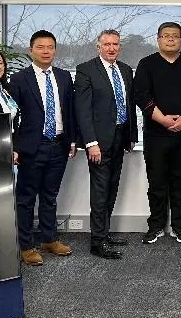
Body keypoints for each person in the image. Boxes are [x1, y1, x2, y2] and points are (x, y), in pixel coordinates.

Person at [7, 30, 77, 266]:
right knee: (26, 198)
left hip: (59, 144)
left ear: (55, 50)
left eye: (50, 47)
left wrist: (72, 140)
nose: (46, 51)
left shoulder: (64, 76)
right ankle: (26, 246)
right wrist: (14, 146)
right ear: (31, 50)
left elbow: (70, 111)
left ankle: (49, 239)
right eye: (40, 47)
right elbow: (12, 117)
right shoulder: (18, 79)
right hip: (31, 147)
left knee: (50, 196)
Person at [134, 22, 181, 244]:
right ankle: (156, 226)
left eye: (175, 36)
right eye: (166, 36)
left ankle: (179, 226)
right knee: (157, 182)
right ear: (158, 39)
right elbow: (141, 95)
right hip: (155, 133)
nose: (171, 39)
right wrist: (163, 120)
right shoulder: (147, 64)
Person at [74, 29, 138, 259]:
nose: (111, 48)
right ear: (98, 46)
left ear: (120, 46)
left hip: (120, 137)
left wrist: (131, 136)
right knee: (100, 191)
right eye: (107, 44)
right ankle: (97, 242)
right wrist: (90, 142)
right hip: (98, 141)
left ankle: (104, 233)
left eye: (115, 44)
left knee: (112, 188)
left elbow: (129, 104)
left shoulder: (125, 70)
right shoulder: (86, 70)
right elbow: (82, 110)